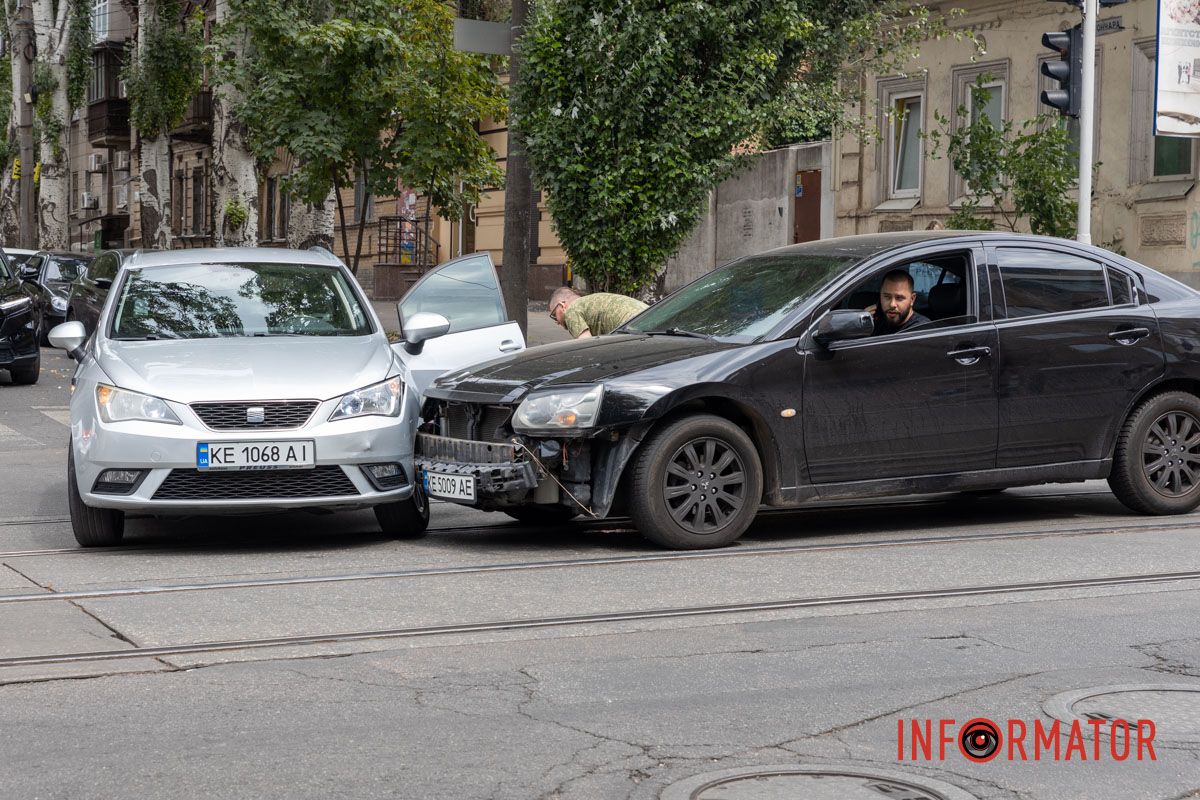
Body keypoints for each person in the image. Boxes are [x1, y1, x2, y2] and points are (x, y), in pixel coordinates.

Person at [548, 286, 648, 338]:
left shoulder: (571, 310)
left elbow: (586, 345)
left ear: (562, 306)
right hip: (650, 314)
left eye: (554, 315)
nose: (556, 321)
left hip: (634, 326)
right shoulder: (590, 303)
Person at [865, 269, 930, 335]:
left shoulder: (921, 329)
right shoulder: (877, 321)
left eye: (899, 298)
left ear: (912, 299)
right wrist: (862, 325)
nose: (892, 304)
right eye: (887, 297)